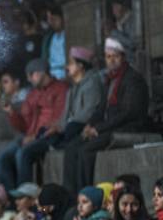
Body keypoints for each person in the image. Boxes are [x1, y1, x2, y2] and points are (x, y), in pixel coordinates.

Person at [63, 35, 149, 194]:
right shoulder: (110, 80)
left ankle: (86, 193)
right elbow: (101, 109)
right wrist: (90, 125)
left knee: (86, 150)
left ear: (123, 57)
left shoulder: (132, 79)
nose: (111, 60)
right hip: (110, 126)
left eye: (115, 56)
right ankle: (71, 194)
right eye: (108, 57)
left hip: (128, 127)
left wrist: (99, 129)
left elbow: (128, 113)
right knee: (72, 147)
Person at [0, 58, 68, 190]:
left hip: (50, 136)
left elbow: (59, 119)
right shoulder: (33, 94)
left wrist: (36, 136)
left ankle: (25, 198)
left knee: (22, 154)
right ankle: (13, 200)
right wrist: (12, 113)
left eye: (31, 74)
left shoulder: (61, 89)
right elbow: (24, 126)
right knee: (1, 159)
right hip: (30, 136)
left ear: (42, 72)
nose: (29, 79)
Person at [51, 46, 104, 147]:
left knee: (71, 128)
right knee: (48, 133)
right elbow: (65, 115)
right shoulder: (73, 87)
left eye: (71, 63)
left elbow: (89, 112)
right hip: (71, 125)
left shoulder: (92, 83)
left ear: (80, 66)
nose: (67, 67)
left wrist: (67, 125)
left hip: (82, 125)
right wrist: (58, 126)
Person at [42, 6, 67, 80]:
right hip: (51, 77)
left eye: (54, 19)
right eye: (49, 20)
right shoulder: (49, 38)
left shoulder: (67, 36)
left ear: (62, 18)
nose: (51, 23)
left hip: (65, 75)